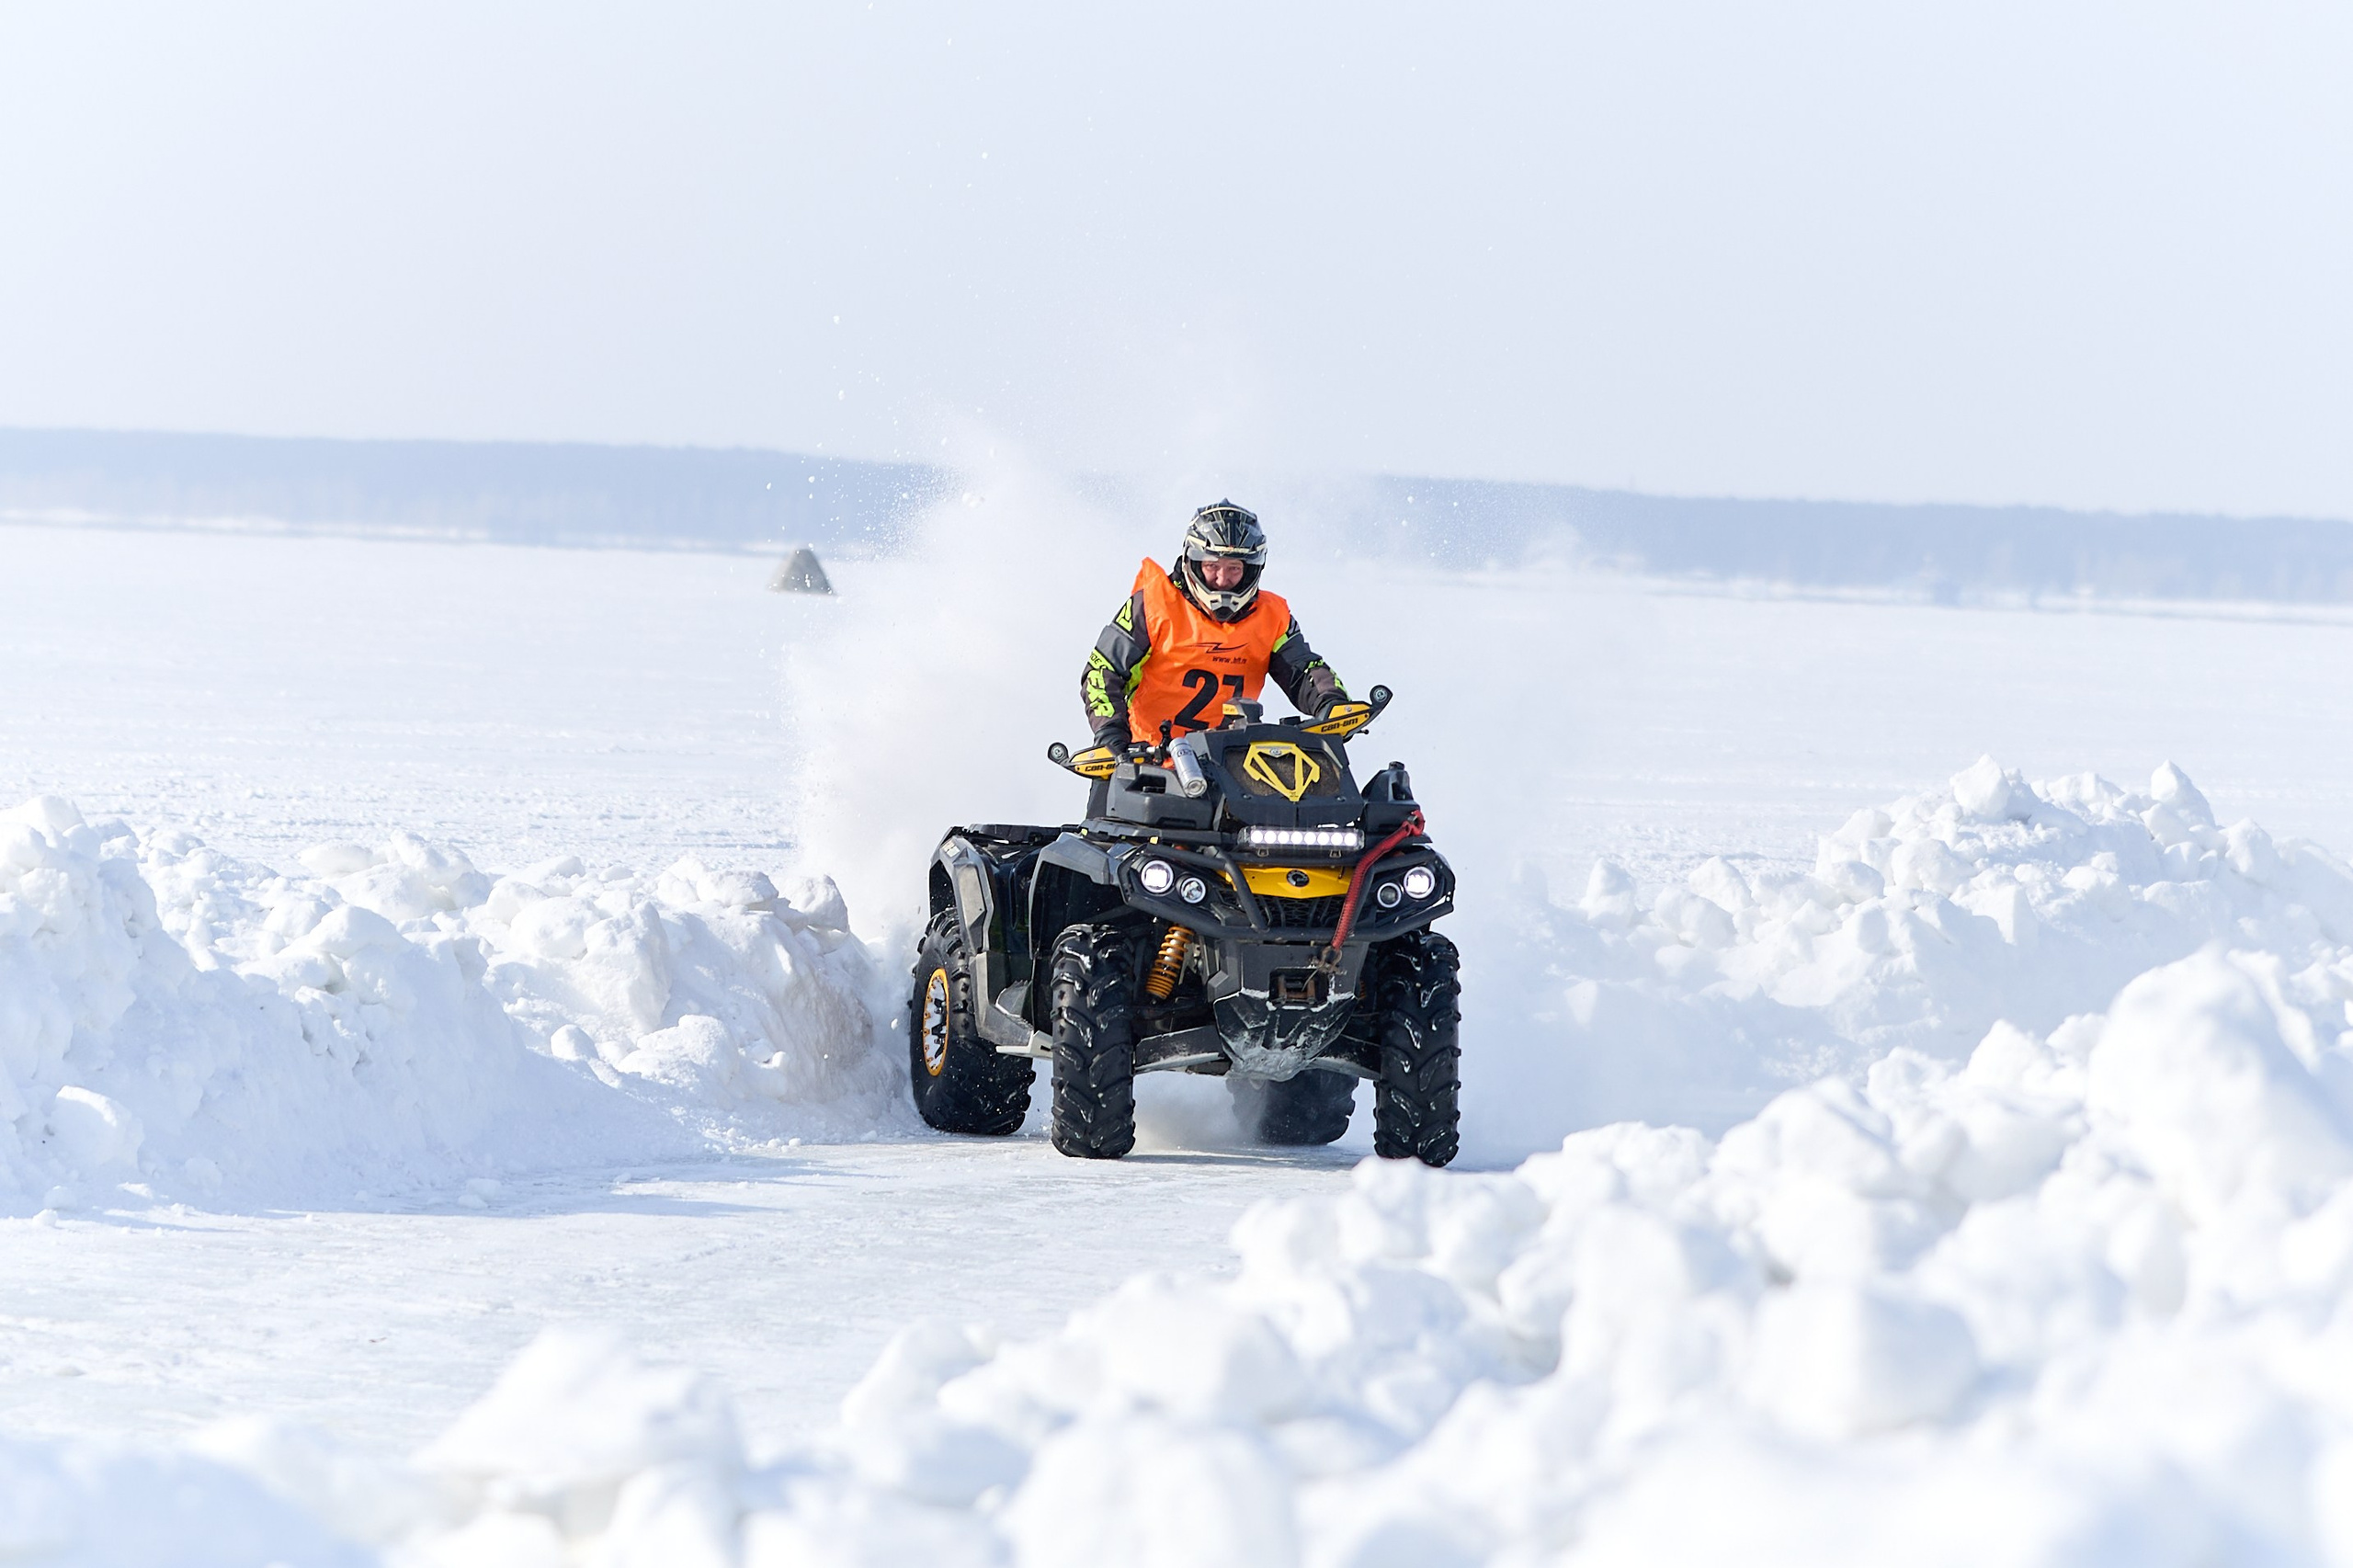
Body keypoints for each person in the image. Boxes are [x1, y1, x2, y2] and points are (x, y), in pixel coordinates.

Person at [1079, 501, 1347, 766]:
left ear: (1252, 570)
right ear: (1193, 562)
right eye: (1212, 566)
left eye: (1234, 568)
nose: (1222, 579)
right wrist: (1111, 735)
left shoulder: (1273, 616)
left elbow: (1302, 670)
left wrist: (1330, 703)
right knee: (1106, 805)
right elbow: (1102, 671)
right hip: (1142, 759)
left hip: (1230, 766)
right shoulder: (1152, 605)